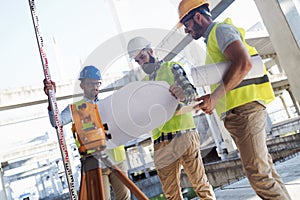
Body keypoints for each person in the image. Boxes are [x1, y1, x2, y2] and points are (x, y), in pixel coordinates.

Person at [177, 0, 291, 199]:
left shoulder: (220, 31)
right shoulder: (213, 38)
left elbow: (244, 63)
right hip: (240, 113)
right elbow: (229, 75)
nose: (186, 30)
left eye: (186, 24)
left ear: (197, 16)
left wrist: (214, 97)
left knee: (259, 175)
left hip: (245, 111)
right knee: (266, 172)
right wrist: (211, 98)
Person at [127, 36, 215, 200]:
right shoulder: (143, 83)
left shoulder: (172, 67)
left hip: (185, 135)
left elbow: (191, 93)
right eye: (138, 61)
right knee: (171, 193)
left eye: (143, 57)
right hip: (161, 141)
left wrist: (183, 95)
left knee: (200, 185)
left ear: (151, 51)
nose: (142, 63)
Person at [43, 65, 131, 200]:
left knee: (124, 198)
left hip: (117, 159)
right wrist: (51, 98)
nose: (95, 87)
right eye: (90, 83)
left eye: (97, 84)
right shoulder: (77, 108)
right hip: (96, 163)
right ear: (82, 85)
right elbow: (57, 122)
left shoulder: (108, 104)